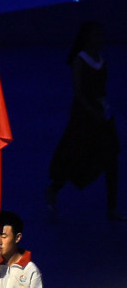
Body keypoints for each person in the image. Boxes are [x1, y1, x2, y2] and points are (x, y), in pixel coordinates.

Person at [46, 21, 122, 221]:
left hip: (103, 113)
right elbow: (79, 91)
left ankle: (112, 208)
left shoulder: (100, 58)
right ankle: (54, 189)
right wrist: (91, 111)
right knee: (74, 155)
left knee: (111, 157)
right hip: (84, 116)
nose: (99, 40)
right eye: (95, 36)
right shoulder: (81, 59)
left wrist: (104, 110)